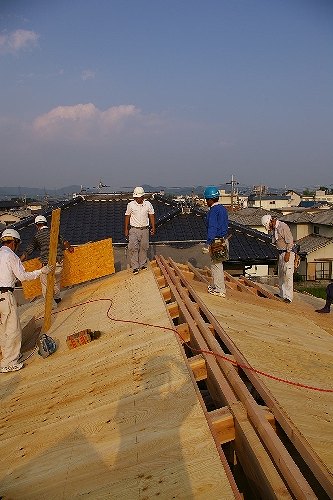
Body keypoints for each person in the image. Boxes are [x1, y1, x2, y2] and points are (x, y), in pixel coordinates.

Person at [0, 229, 52, 373]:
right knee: (13, 330)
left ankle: (7, 358)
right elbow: (22, 277)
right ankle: (9, 363)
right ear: (14, 242)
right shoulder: (10, 256)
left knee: (3, 330)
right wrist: (41, 272)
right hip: (6, 296)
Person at [20, 215, 73, 304]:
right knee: (56, 281)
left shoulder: (37, 236)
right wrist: (70, 248)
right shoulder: (54, 232)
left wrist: (19, 260)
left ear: (37, 225)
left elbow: (28, 251)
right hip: (59, 263)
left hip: (48, 265)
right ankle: (57, 298)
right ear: (46, 223)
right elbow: (65, 243)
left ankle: (50, 304)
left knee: (45, 283)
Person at [261, 214, 295, 303]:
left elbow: (290, 241)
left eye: (268, 225)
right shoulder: (274, 229)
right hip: (280, 253)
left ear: (271, 221)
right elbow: (276, 243)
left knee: (288, 275)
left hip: (287, 253)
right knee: (281, 275)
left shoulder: (283, 226)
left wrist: (288, 253)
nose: (269, 228)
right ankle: (282, 293)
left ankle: (288, 297)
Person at [203, 186, 229, 298]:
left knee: (216, 266)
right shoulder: (223, 209)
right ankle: (217, 286)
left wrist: (208, 243)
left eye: (206, 199)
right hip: (223, 239)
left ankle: (220, 290)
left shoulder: (213, 211)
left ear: (209, 199)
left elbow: (212, 227)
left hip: (216, 241)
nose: (206, 201)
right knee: (217, 265)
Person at [124, 187, 155, 275]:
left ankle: (142, 264)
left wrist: (153, 227)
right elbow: (127, 216)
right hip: (134, 229)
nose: (137, 199)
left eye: (139, 197)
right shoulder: (131, 205)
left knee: (144, 247)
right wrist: (126, 229)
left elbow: (151, 215)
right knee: (133, 248)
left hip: (145, 229)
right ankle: (135, 267)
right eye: (136, 197)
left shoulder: (148, 204)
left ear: (143, 197)